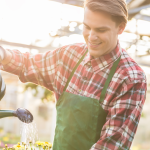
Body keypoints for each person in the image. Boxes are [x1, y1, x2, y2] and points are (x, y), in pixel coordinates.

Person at [0, 0, 147, 149]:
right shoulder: (70, 56)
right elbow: (28, 64)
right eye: (87, 27)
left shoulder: (131, 78)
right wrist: (3, 54)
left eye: (101, 30)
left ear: (120, 28)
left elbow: (112, 145)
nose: (91, 37)